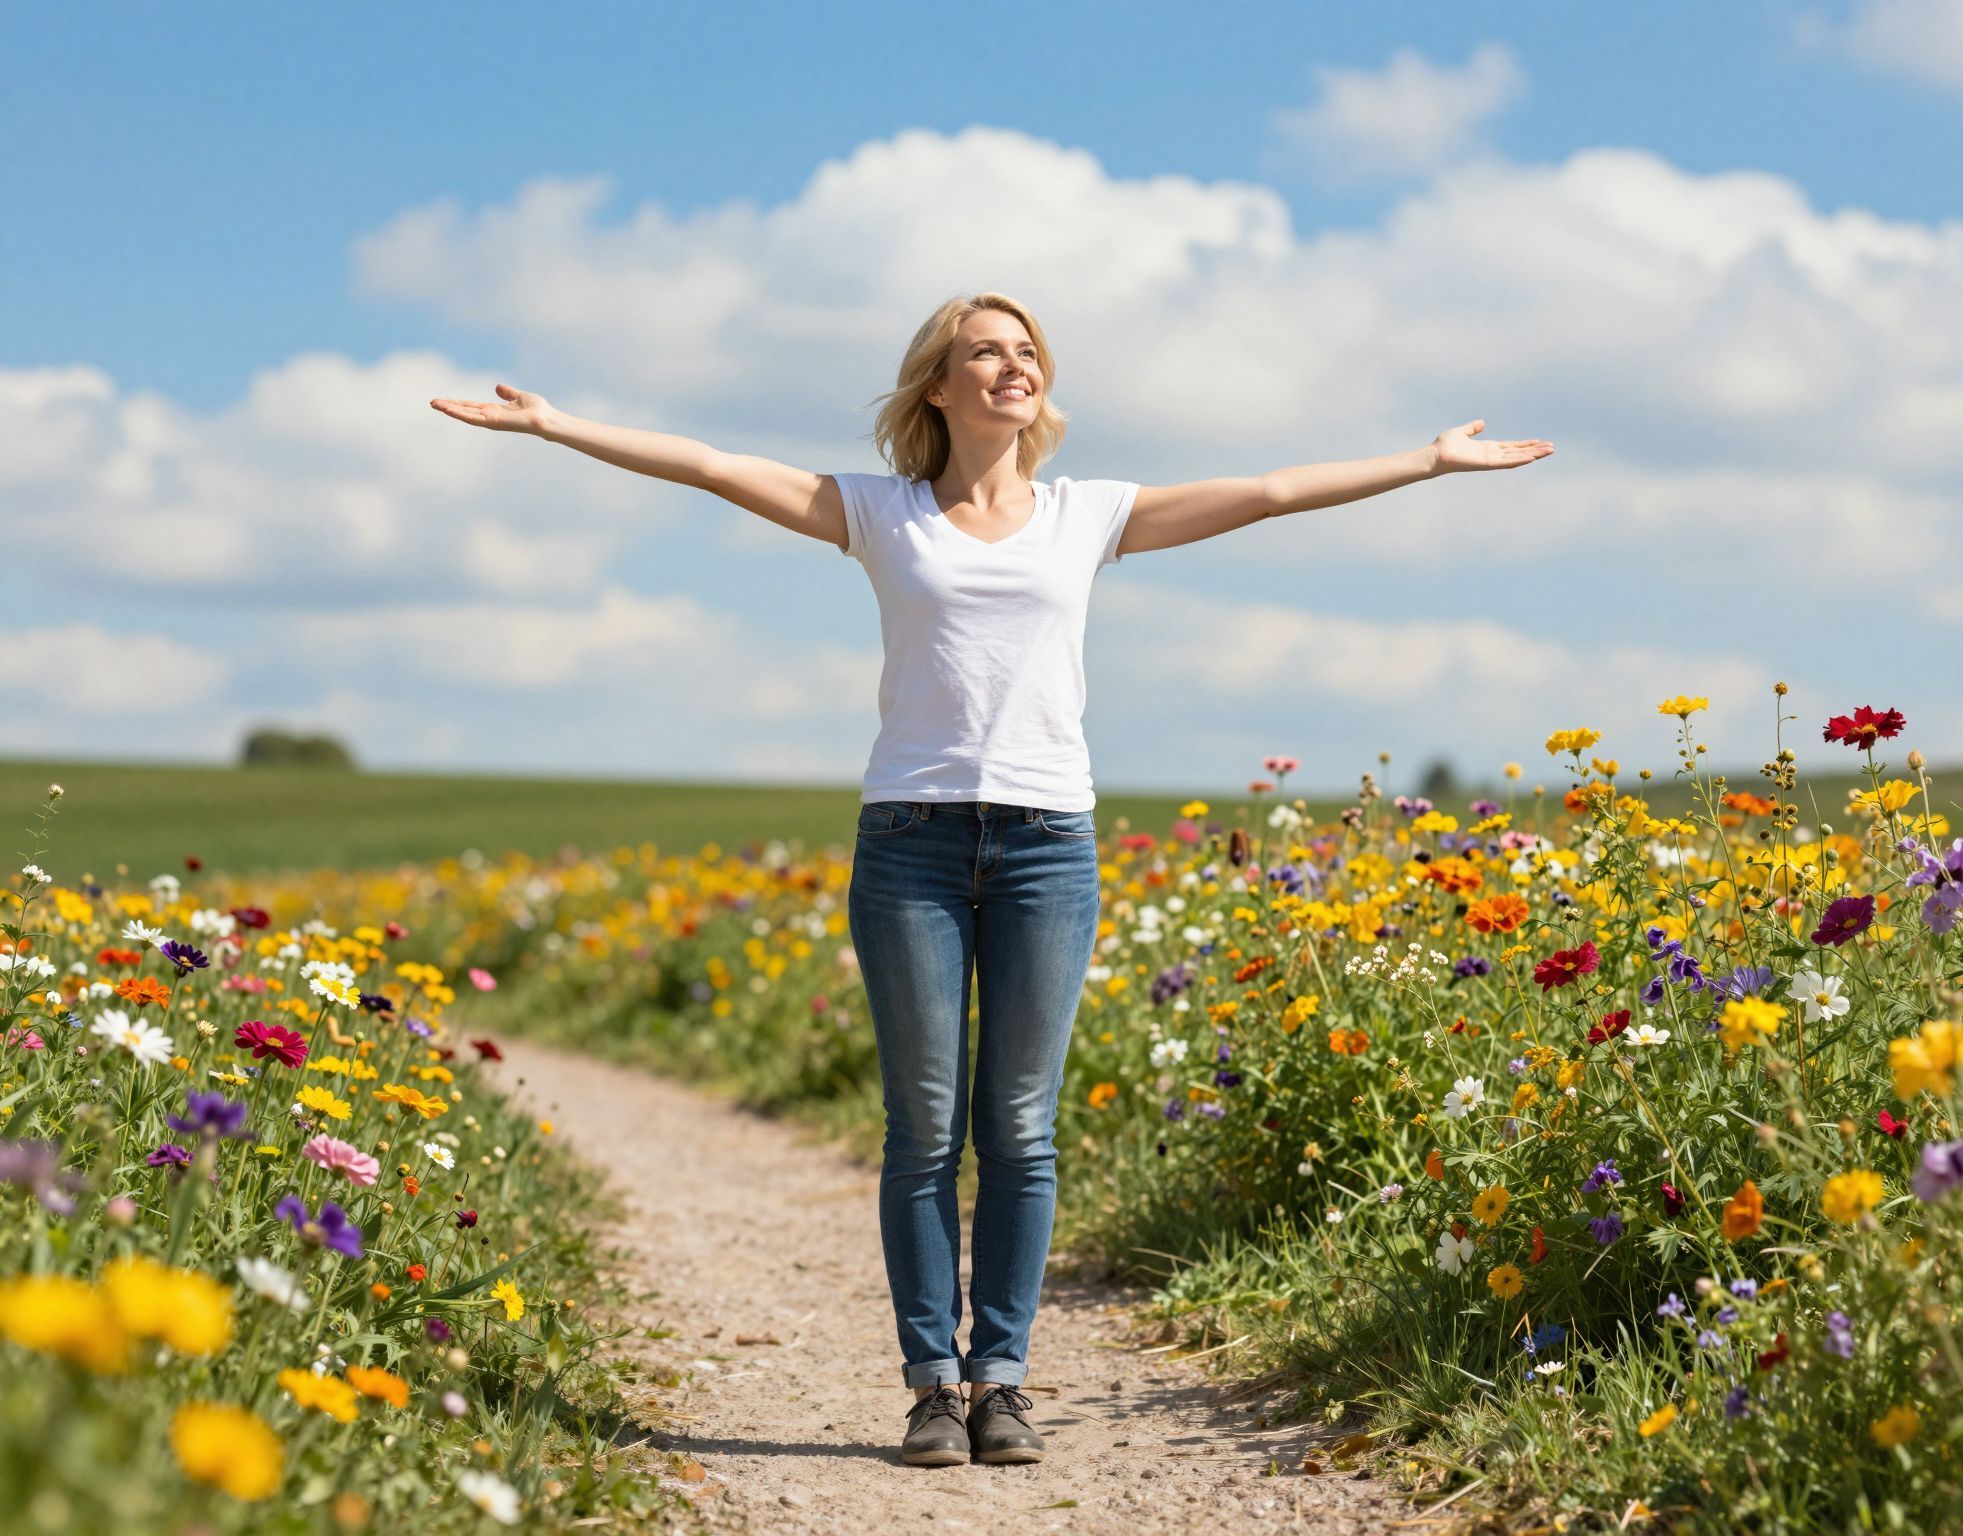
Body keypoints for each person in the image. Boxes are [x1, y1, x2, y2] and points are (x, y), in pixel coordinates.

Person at [429, 291, 1552, 1468]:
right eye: (986, 353)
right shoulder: (879, 511)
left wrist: (1426, 463)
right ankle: (930, 1387)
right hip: (908, 841)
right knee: (921, 1125)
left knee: (1018, 1126)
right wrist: (557, 425)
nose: (1012, 368)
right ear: (938, 387)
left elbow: (1268, 492)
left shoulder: (1087, 515)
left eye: (1026, 354)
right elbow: (712, 466)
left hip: (1047, 845)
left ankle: (1001, 1381)